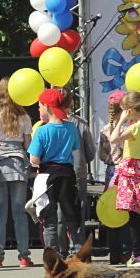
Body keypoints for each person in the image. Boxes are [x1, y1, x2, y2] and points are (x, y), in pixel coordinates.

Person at [0, 78, 33, 268]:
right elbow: (28, 145)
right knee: (20, 212)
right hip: (19, 165)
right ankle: (24, 257)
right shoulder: (24, 118)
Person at [107, 91, 140, 266]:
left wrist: (121, 120)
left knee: (134, 216)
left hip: (131, 173)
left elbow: (113, 139)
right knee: (139, 215)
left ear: (129, 110)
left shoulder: (135, 127)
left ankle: (139, 253)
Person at [29, 89, 82, 256]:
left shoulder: (42, 131)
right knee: (71, 215)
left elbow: (34, 160)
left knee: (49, 217)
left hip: (47, 175)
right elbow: (75, 148)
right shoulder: (71, 127)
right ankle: (77, 251)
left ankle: (53, 254)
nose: (38, 109)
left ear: (46, 106)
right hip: (67, 173)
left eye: (39, 106)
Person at [58, 91, 96, 247]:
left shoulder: (49, 124)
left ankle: (61, 248)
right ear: (72, 102)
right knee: (78, 209)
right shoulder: (80, 123)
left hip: (58, 171)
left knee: (60, 211)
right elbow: (91, 152)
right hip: (77, 171)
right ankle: (77, 246)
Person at [98, 90, 131, 264]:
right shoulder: (127, 128)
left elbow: (101, 154)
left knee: (111, 214)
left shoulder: (105, 129)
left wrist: (111, 160)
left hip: (110, 174)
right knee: (124, 214)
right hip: (124, 173)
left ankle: (114, 254)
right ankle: (126, 253)